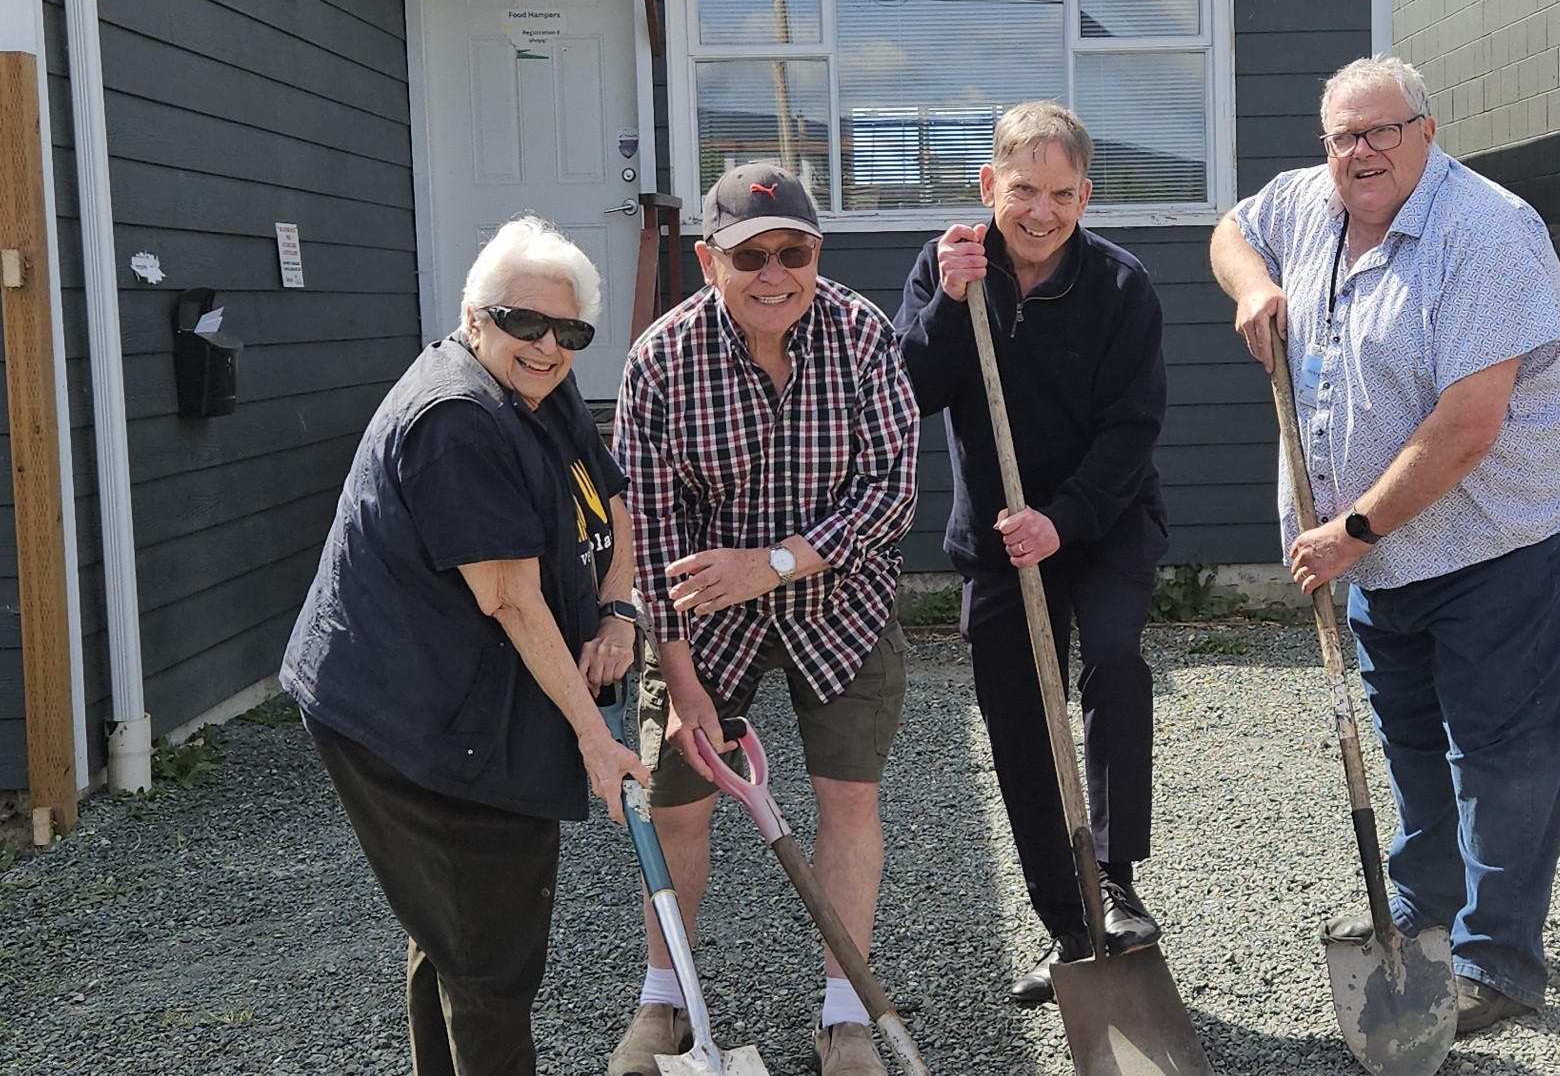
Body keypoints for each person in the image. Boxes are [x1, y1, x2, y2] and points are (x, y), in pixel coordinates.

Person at [1210, 55, 1560, 1035]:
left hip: (1511, 532)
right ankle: (1425, 910)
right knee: (1409, 738)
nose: (1363, 151)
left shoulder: (1485, 232)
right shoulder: (1311, 204)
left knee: (1502, 745)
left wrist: (1350, 531)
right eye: (1345, 134)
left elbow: (1470, 425)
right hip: (1389, 552)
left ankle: (1498, 959)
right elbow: (1232, 228)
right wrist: (1254, 287)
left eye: (1384, 130)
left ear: (1428, 133)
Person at [280, 215, 650, 1076]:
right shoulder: (456, 419)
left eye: (569, 332)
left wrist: (617, 608)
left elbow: (612, 497)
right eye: (525, 323)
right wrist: (598, 742)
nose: (548, 346)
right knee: (490, 955)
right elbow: (512, 599)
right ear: (475, 317)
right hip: (405, 715)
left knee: (456, 930)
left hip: (481, 691)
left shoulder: (541, 384)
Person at [608, 163, 920, 1076]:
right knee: (679, 809)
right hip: (703, 623)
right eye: (752, 256)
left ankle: (845, 1014)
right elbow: (652, 533)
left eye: (795, 252)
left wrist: (774, 563)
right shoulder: (660, 362)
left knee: (848, 800)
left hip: (842, 603)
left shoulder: (861, 335)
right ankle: (664, 1002)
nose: (775, 273)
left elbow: (891, 493)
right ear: (710, 261)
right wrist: (684, 678)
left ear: (817, 255)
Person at [893, 101, 1168, 1007]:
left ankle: (1115, 878)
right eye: (1023, 191)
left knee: (1116, 660)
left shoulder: (1122, 286)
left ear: (1085, 194)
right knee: (1017, 722)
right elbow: (912, 391)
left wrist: (1068, 516)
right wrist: (947, 301)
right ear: (988, 187)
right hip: (1002, 542)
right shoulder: (951, 275)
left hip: (1106, 520)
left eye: (1061, 194)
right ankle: (1069, 925)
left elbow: (1133, 430)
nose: (1041, 212)